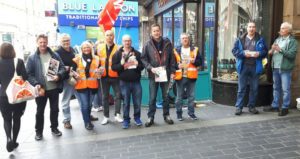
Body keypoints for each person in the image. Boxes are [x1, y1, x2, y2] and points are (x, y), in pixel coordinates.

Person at [26, 34, 67, 140]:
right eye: (41, 42)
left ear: (47, 42)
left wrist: (59, 76)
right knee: (40, 111)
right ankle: (38, 132)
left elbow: (62, 67)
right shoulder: (32, 57)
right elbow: (28, 74)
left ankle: (54, 128)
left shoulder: (54, 55)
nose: (43, 44)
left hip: (53, 88)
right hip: (41, 89)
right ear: (37, 43)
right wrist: (36, 84)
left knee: (54, 110)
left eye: (44, 42)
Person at [141, 24, 176, 127]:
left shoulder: (167, 43)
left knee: (166, 97)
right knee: (152, 97)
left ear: (160, 31)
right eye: (154, 31)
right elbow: (143, 59)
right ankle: (150, 117)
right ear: (151, 33)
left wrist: (173, 72)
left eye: (158, 31)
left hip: (165, 74)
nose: (156, 33)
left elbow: (172, 59)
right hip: (153, 74)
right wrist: (150, 68)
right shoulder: (147, 44)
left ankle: (167, 115)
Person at [232, 22, 268, 115]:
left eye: (253, 27)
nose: (251, 29)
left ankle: (251, 107)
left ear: (255, 28)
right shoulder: (240, 39)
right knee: (241, 88)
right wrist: (243, 53)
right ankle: (239, 107)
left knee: (254, 88)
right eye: (250, 27)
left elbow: (265, 51)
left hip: (255, 67)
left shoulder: (260, 39)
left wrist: (259, 54)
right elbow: (234, 51)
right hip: (243, 67)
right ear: (247, 28)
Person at [264, 22, 298, 116]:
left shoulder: (292, 41)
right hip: (275, 67)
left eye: (283, 28)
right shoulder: (278, 39)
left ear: (288, 30)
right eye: (281, 28)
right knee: (276, 87)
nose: (281, 30)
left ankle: (285, 107)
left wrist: (280, 50)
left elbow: (292, 55)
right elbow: (271, 51)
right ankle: (275, 106)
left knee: (285, 89)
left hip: (285, 69)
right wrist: (271, 51)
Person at [0, 43, 29, 152]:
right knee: (17, 118)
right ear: (13, 50)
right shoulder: (19, 61)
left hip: (3, 95)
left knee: (6, 119)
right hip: (17, 94)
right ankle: (15, 141)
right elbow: (25, 77)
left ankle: (8, 138)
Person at [112, 35, 144, 129]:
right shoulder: (117, 54)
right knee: (126, 103)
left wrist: (138, 65)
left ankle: (137, 118)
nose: (127, 42)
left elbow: (142, 67)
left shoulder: (137, 53)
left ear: (131, 42)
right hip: (124, 82)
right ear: (122, 42)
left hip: (136, 82)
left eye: (129, 41)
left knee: (137, 102)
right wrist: (121, 64)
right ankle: (126, 120)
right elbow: (113, 68)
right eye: (125, 41)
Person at [72, 41, 100, 130]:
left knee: (89, 104)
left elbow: (99, 69)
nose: (86, 49)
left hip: (93, 84)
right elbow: (72, 71)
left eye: (88, 47)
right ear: (81, 49)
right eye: (84, 48)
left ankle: (88, 119)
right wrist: (74, 74)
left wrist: (99, 71)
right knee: (85, 105)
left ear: (91, 48)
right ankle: (87, 122)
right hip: (81, 85)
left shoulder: (96, 58)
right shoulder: (77, 58)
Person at [173, 33, 202, 121]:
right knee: (179, 97)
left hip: (191, 76)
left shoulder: (195, 49)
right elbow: (172, 63)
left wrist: (194, 61)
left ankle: (191, 113)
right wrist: (177, 66)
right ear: (180, 40)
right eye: (183, 38)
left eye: (186, 38)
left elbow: (200, 62)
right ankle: (179, 114)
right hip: (180, 76)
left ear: (188, 40)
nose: (185, 40)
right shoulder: (176, 50)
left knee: (191, 96)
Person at [98, 30, 123, 125]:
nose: (109, 37)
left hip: (115, 76)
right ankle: (106, 116)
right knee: (104, 97)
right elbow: (96, 60)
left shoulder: (119, 48)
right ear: (105, 36)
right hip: (104, 76)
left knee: (118, 96)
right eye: (107, 35)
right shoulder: (99, 48)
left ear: (114, 36)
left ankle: (117, 114)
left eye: (111, 35)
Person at [56, 33, 77, 129]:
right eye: (64, 41)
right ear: (60, 42)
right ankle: (66, 120)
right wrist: (65, 69)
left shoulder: (73, 50)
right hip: (66, 80)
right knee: (66, 100)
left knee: (82, 99)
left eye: (67, 40)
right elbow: (54, 68)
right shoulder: (57, 53)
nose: (66, 42)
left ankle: (87, 116)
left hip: (76, 78)